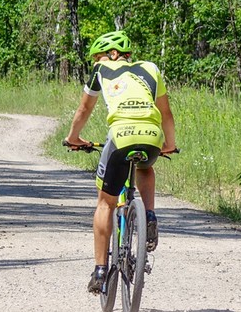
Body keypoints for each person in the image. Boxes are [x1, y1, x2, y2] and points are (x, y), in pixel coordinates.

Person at [65, 30, 177, 294]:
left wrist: (73, 138)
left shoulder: (101, 70)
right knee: (145, 166)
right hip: (152, 136)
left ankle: (100, 271)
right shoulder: (151, 69)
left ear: (113, 54)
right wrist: (169, 145)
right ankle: (149, 216)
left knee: (105, 202)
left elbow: (84, 109)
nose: (96, 62)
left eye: (99, 56)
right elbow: (166, 114)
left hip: (120, 136)